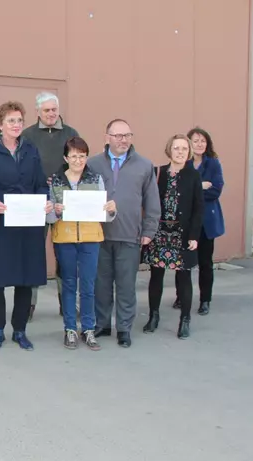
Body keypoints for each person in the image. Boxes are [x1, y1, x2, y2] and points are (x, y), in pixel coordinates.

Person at [0, 101, 53, 351]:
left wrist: (45, 201)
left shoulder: (31, 150)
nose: (17, 125)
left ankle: (19, 331)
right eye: (11, 120)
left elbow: (41, 183)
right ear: (0, 125)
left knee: (24, 279)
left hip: (27, 225)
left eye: (19, 120)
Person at [88, 119, 160, 348]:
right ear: (107, 137)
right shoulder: (93, 164)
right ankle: (102, 324)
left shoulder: (144, 165)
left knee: (126, 286)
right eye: (118, 135)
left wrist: (149, 229)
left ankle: (124, 329)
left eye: (127, 135)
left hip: (130, 235)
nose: (123, 140)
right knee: (101, 284)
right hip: (99, 235)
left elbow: (152, 201)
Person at [48, 137, 116, 351]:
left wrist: (111, 210)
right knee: (68, 284)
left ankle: (88, 328)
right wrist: (54, 211)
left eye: (82, 156)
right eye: (74, 156)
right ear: (65, 158)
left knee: (88, 285)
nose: (78, 160)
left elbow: (105, 214)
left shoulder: (95, 179)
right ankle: (69, 328)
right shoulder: (56, 180)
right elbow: (49, 215)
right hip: (64, 238)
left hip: (90, 238)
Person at [21, 92, 79, 320]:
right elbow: (22, 166)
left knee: (65, 255)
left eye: (54, 109)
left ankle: (66, 304)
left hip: (64, 201)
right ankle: (29, 305)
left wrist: (61, 180)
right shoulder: (27, 135)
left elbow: (78, 162)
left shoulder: (70, 134)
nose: (51, 114)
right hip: (37, 201)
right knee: (34, 254)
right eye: (46, 110)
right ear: (37, 112)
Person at [142, 135, 205, 339]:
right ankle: (153, 316)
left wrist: (194, 235)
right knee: (156, 276)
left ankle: (184, 320)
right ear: (169, 150)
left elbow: (198, 208)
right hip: (160, 232)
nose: (180, 152)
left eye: (184, 149)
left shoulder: (193, 175)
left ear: (189, 152)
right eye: (176, 148)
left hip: (183, 234)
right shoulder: (158, 172)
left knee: (184, 277)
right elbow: (147, 201)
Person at [172, 127, 224, 316]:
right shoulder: (183, 164)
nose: (199, 144)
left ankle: (205, 300)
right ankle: (180, 296)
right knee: (182, 262)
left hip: (206, 222)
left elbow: (216, 190)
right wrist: (200, 186)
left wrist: (193, 190)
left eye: (203, 141)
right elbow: (178, 191)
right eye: (195, 141)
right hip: (184, 221)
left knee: (205, 262)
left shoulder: (214, 164)